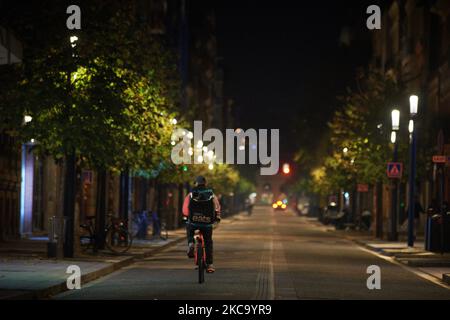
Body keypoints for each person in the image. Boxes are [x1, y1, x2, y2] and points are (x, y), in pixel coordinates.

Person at [182, 176, 221, 273]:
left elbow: (185, 208)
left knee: (189, 228)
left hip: (194, 221)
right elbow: (217, 206)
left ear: (196, 183)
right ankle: (209, 265)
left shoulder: (191, 193)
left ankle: (191, 243)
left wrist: (187, 216)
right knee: (208, 242)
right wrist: (217, 216)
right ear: (205, 183)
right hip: (207, 223)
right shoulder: (210, 193)